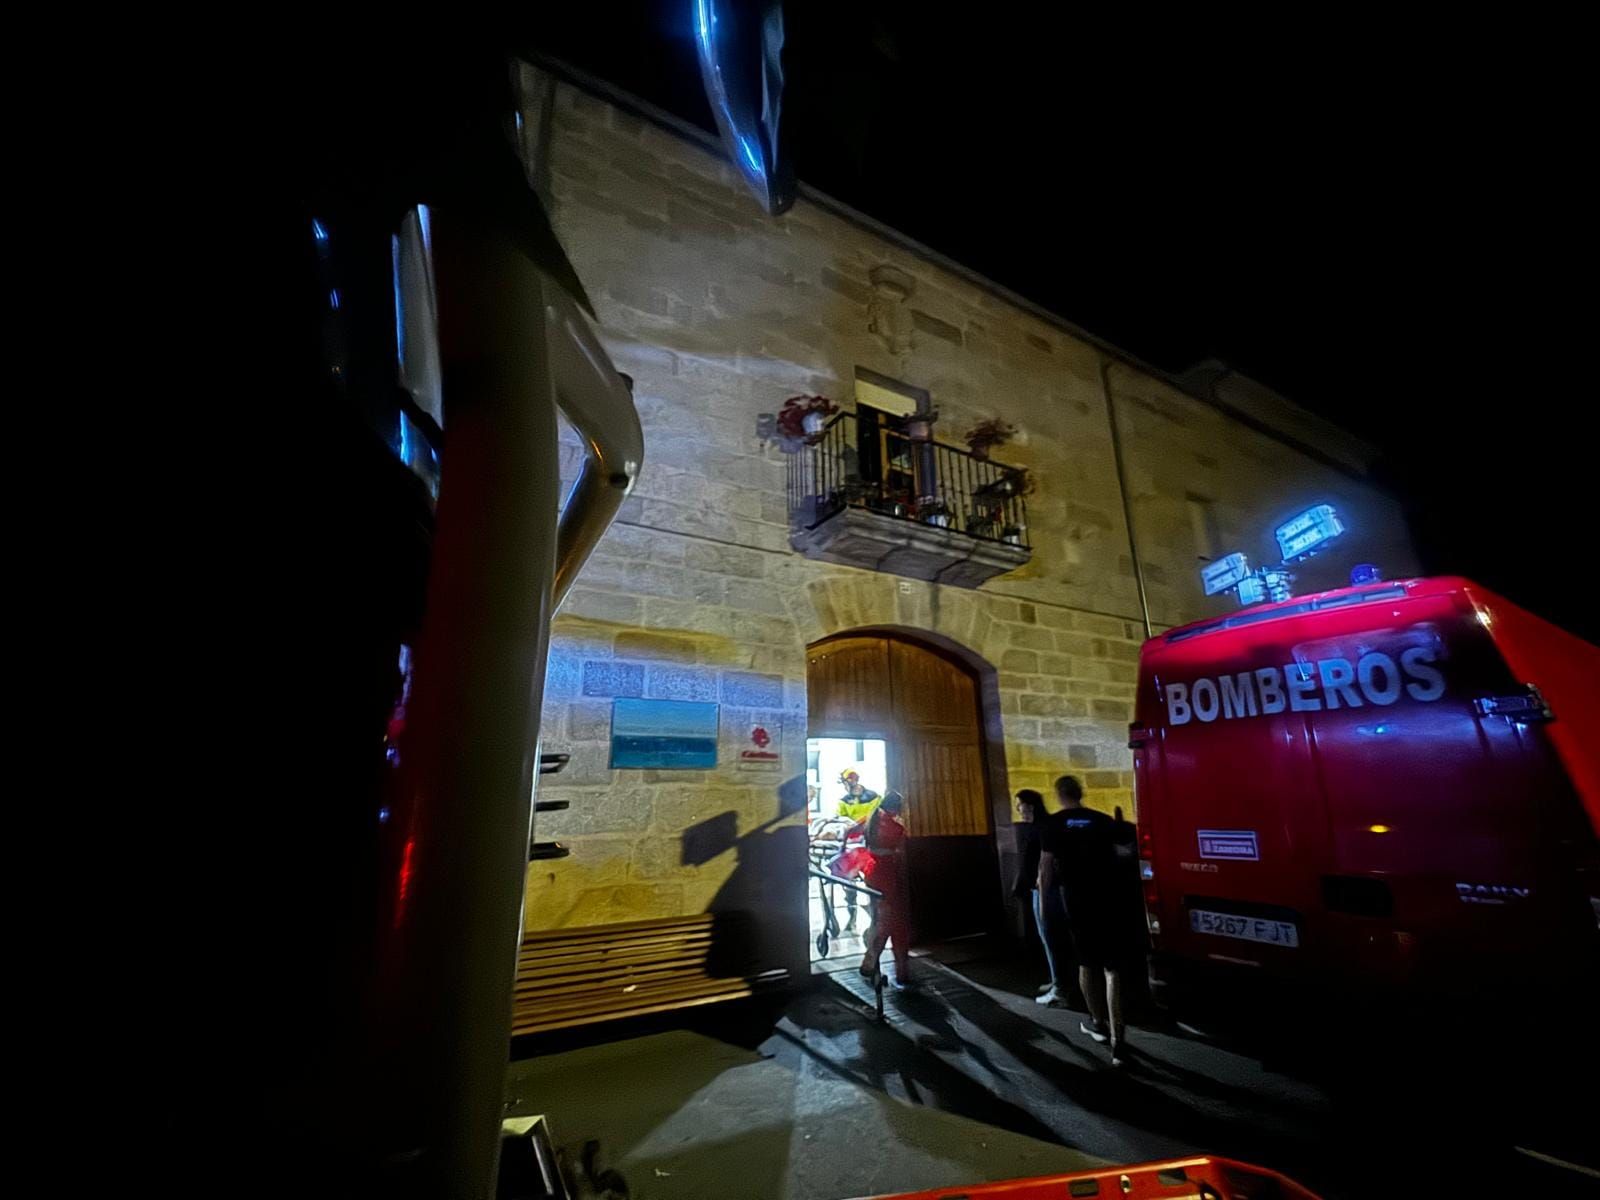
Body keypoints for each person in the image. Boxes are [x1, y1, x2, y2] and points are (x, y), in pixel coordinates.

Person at [1040, 775, 1132, 1067]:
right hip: (1108, 898)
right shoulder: (1103, 820)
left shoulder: (1052, 824)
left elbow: (1045, 867)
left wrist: (1043, 905)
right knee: (1112, 968)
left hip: (1075, 901)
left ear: (1059, 794)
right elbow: (1125, 851)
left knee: (1086, 962)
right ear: (1081, 793)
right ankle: (1119, 1041)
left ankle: (1096, 1022)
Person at [1013, 790, 1067, 1006]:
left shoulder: (1043, 827)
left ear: (1030, 806)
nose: (1019, 810)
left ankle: (1060, 987)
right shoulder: (1039, 826)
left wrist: (1042, 892)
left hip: (1046, 890)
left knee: (1051, 938)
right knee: (1048, 938)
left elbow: (1045, 863)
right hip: (1039, 889)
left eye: (1020, 805)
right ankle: (1058, 980)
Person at [858, 790, 912, 990]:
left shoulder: (871, 818)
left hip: (872, 871)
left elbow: (848, 832)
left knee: (879, 919)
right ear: (896, 807)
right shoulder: (895, 827)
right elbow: (901, 854)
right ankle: (873, 964)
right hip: (888, 873)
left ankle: (870, 962)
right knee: (890, 921)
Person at [833, 772, 880, 930]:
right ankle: (852, 916)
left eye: (848, 781)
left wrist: (860, 824)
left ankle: (875, 918)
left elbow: (876, 815)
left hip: (870, 838)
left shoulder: (873, 797)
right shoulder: (843, 801)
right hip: (853, 841)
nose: (847, 785)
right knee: (849, 883)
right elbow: (840, 819)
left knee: (872, 885)